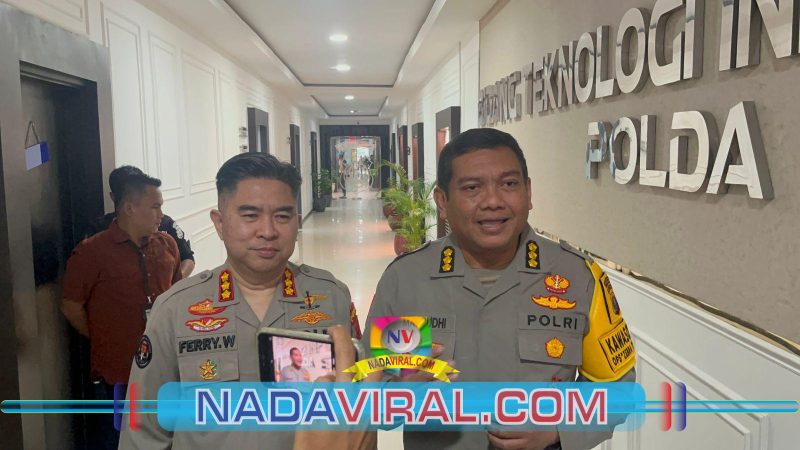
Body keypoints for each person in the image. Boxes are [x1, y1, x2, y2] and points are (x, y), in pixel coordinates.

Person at [364, 128, 637, 450]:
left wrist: (560, 429)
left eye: (509, 184)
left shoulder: (577, 276)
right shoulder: (407, 280)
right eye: (472, 188)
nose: (493, 202)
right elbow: (371, 395)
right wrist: (400, 397)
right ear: (442, 201)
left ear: (528, 192)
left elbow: (617, 388)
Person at [119, 152, 363, 449]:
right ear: (219, 223)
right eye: (250, 216)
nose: (268, 231)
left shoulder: (332, 297)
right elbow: (142, 430)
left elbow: (359, 413)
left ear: (297, 222)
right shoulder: (175, 309)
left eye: (282, 216)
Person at [61, 170, 181, 449]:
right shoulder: (92, 252)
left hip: (166, 366)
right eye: (155, 206)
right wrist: (104, 337)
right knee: (122, 439)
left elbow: (177, 295)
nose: (161, 214)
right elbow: (70, 306)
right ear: (129, 208)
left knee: (167, 436)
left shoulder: (167, 245)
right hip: (119, 372)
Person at [85, 165, 196, 279]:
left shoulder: (165, 225)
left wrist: (172, 285)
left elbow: (187, 257)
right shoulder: (98, 232)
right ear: (113, 196)